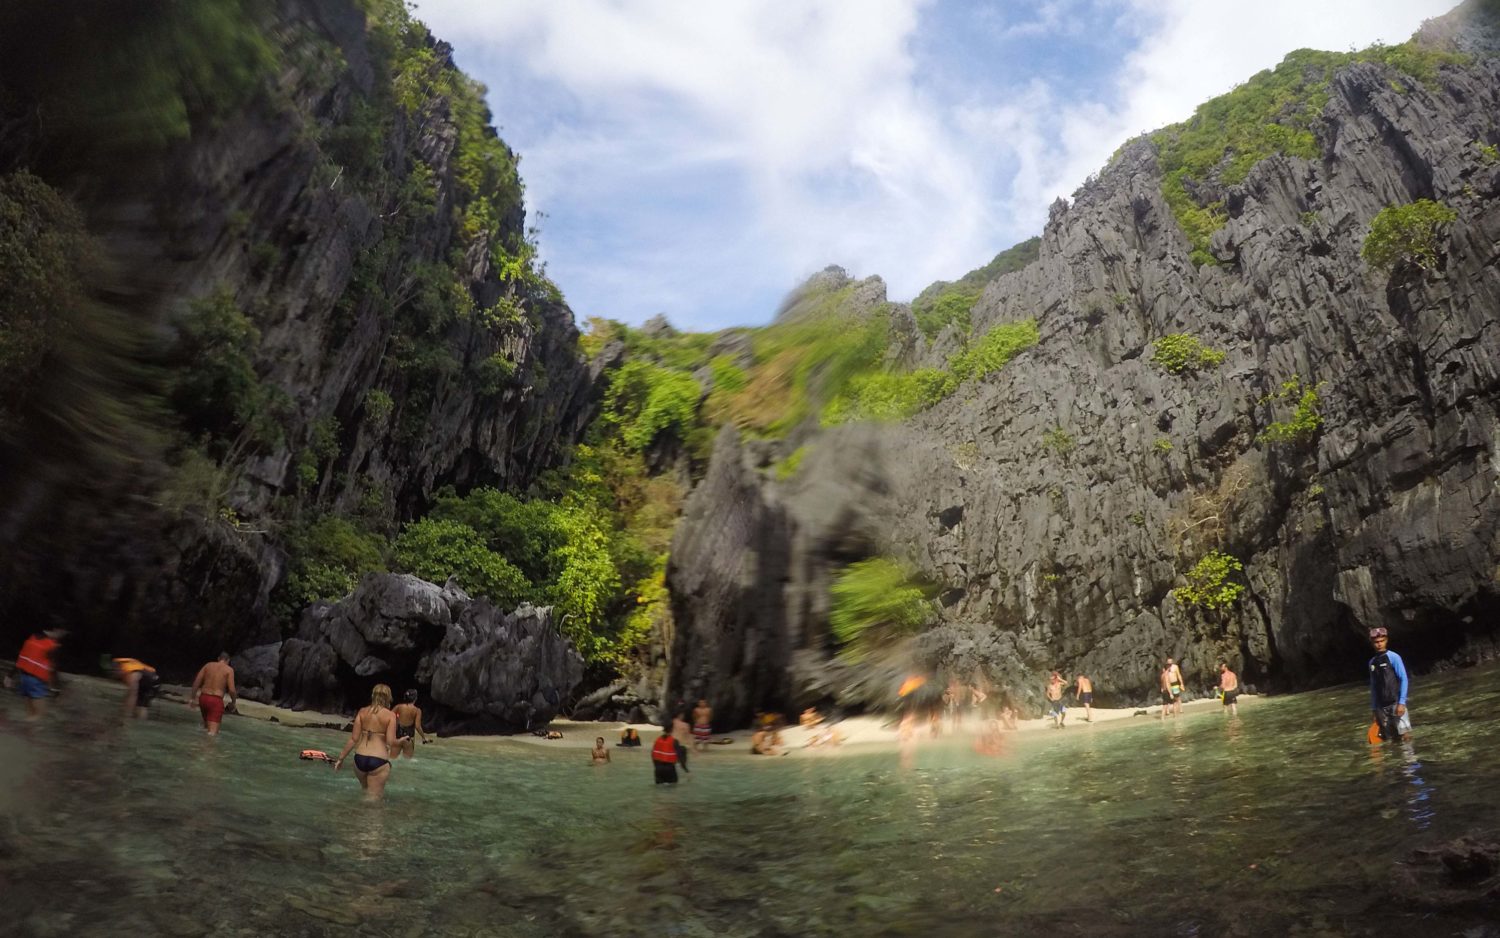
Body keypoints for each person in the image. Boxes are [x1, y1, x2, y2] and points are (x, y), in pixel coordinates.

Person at [335, 684, 399, 801]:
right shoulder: (390, 715)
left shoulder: (362, 711)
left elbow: (354, 739)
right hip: (378, 761)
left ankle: (356, 817)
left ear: (373, 695)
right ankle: (368, 819)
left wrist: (341, 758)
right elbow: (390, 742)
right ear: (388, 697)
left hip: (359, 759)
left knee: (365, 792)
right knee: (373, 800)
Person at [1367, 627, 1411, 743]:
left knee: (1404, 736)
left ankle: (1409, 758)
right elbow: (1373, 686)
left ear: (1386, 641)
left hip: (1396, 703)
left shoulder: (1394, 657)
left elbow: (1403, 679)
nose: (1379, 644)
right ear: (1372, 643)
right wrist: (1374, 709)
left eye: (1382, 641)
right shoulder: (1372, 662)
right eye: (1376, 642)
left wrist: (1402, 702)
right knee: (1391, 739)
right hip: (1382, 707)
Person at [14, 628, 64, 721]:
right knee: (40, 716)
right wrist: (56, 689)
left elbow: (21, 658)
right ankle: (19, 729)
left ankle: (25, 732)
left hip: (24, 678)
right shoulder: (52, 646)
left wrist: (9, 676)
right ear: (56, 631)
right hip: (36, 682)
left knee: (30, 715)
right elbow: (53, 670)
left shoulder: (32, 638)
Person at [187, 652, 237, 736]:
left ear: (218, 658)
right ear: (228, 660)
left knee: (205, 728)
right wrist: (233, 702)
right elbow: (232, 690)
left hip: (203, 698)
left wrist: (192, 698)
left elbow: (196, 682)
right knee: (212, 735)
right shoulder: (229, 670)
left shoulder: (208, 665)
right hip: (215, 701)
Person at [104, 655, 160, 721]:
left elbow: (132, 695)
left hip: (152, 682)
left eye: (115, 673)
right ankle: (133, 719)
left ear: (119, 669)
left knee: (141, 705)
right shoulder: (119, 663)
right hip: (143, 678)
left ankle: (140, 723)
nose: (115, 676)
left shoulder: (132, 674)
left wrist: (126, 715)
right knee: (136, 701)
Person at [393, 689, 431, 758]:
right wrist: (423, 738)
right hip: (409, 735)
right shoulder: (417, 710)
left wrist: (397, 718)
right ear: (415, 698)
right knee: (408, 759)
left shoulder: (398, 707)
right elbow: (417, 726)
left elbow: (389, 716)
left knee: (393, 756)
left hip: (397, 733)